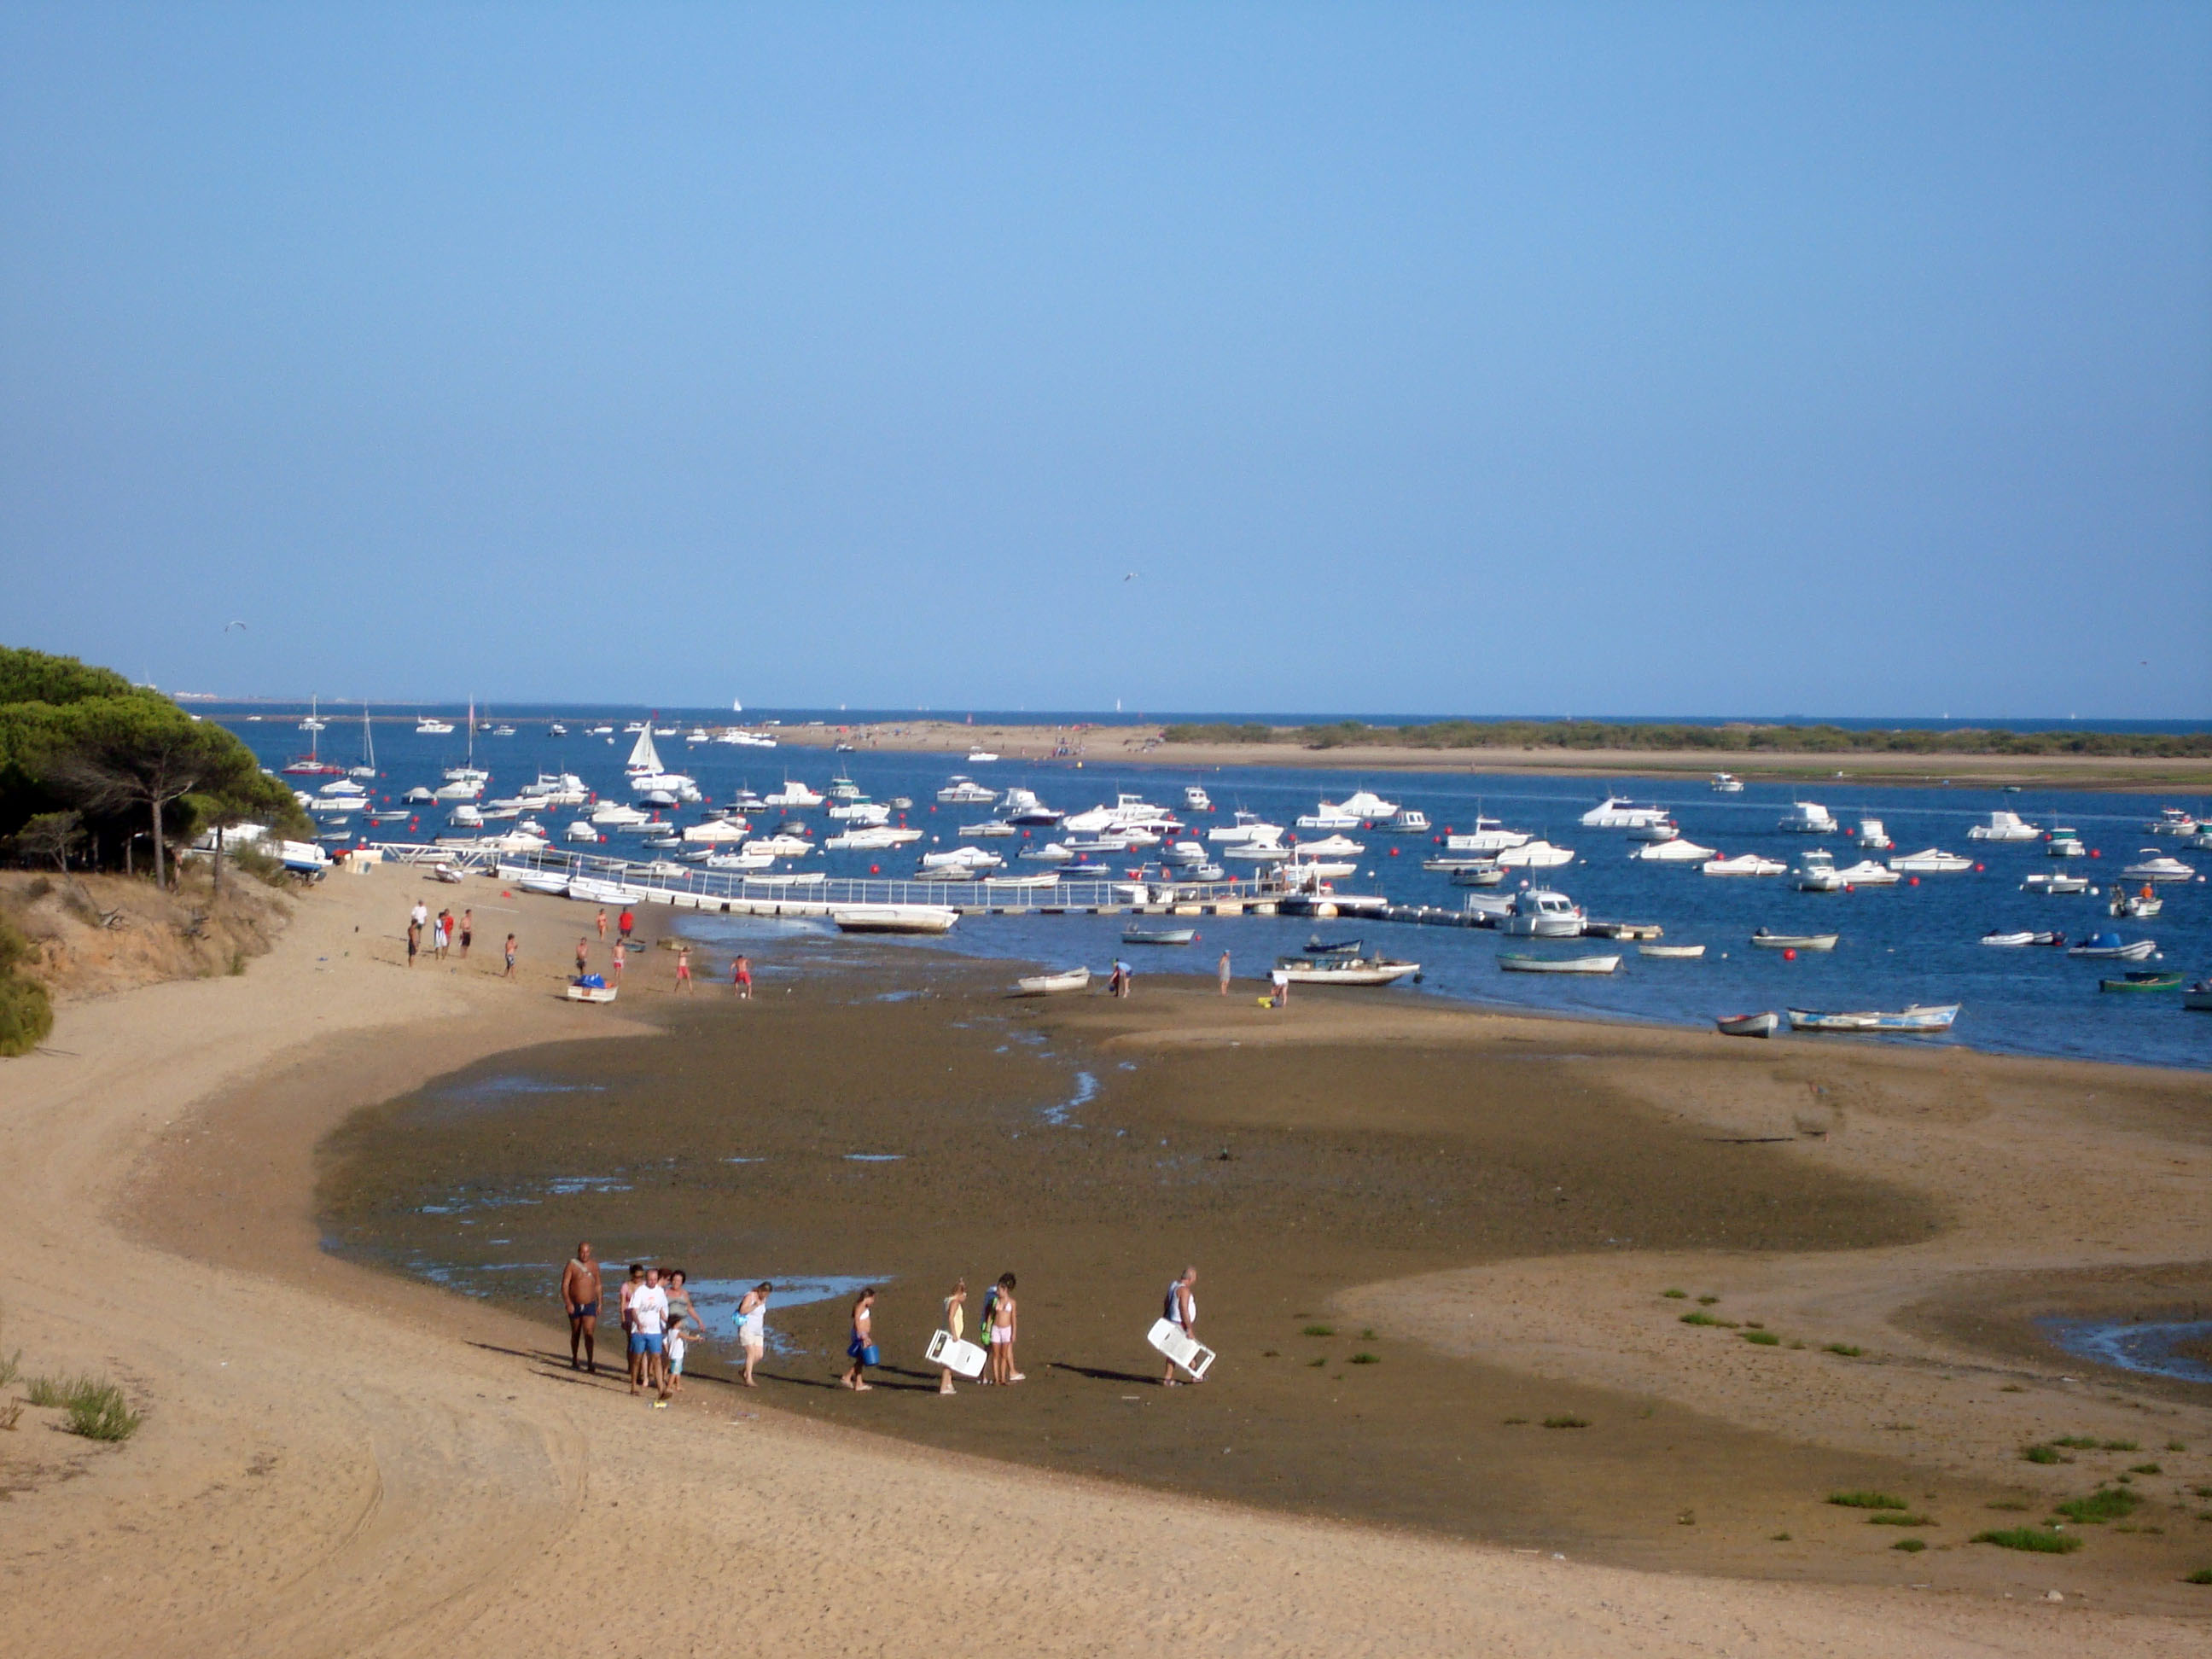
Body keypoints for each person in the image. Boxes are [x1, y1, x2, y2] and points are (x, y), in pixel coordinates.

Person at [628, 1266, 670, 1400]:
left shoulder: (660, 1292)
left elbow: (662, 1310)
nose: (652, 1282)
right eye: (650, 1279)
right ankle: (633, 1385)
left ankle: (661, 1389)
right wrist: (638, 1323)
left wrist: (667, 1321)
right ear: (647, 1279)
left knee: (656, 1358)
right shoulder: (640, 1291)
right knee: (637, 1359)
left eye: (655, 1279)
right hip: (639, 1330)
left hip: (655, 1331)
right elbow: (634, 1310)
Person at [561, 1243, 601, 1372]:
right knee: (576, 1332)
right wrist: (568, 1302)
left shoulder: (594, 1265)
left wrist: (600, 1302)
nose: (585, 1255)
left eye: (587, 1252)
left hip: (590, 1304)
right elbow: (565, 1285)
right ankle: (575, 1358)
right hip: (575, 1304)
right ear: (578, 1252)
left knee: (589, 1333)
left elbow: (598, 1285)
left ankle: (590, 1362)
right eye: (582, 1252)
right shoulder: (572, 1265)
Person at [1161, 1266, 1201, 1386]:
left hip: (1172, 1321)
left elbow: (1166, 1302)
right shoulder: (1184, 1291)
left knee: (1179, 1349)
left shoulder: (1173, 1285)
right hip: (1180, 1324)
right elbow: (1183, 1309)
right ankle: (1193, 1376)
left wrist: (1165, 1317)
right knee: (1186, 1349)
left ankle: (1195, 1375)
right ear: (1191, 1278)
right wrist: (1189, 1328)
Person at [663, 1270, 700, 1397]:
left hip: (683, 1326)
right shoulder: (666, 1292)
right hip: (670, 1325)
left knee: (680, 1353)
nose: (675, 1282)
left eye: (678, 1280)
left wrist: (699, 1321)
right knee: (669, 1354)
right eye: (674, 1280)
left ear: (682, 1282)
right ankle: (666, 1378)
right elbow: (660, 1308)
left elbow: (689, 1308)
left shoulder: (685, 1294)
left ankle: (676, 1381)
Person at [734, 1282, 771, 1387]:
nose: (765, 1295)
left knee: (759, 1355)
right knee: (751, 1353)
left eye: (767, 1294)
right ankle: (748, 1378)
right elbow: (742, 1311)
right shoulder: (750, 1296)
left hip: (758, 1330)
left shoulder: (764, 1299)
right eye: (764, 1293)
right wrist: (755, 1305)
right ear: (759, 1289)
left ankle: (744, 1371)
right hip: (747, 1328)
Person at [841, 1286, 877, 1391]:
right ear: (869, 1297)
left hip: (862, 1334)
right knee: (862, 1358)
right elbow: (857, 1321)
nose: (873, 1302)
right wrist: (863, 1336)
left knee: (860, 1359)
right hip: (860, 1335)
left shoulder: (863, 1306)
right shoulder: (860, 1306)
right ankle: (847, 1377)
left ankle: (859, 1383)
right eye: (873, 1299)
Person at [987, 1272, 1021, 1384]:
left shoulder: (1012, 1303)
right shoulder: (996, 1301)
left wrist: (1014, 1333)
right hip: (996, 1329)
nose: (997, 1291)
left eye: (999, 1289)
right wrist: (988, 1327)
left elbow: (1013, 1319)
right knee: (996, 1355)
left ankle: (1003, 1378)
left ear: (1005, 1290)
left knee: (1004, 1355)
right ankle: (996, 1379)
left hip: (1007, 1329)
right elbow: (991, 1315)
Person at [939, 1277, 968, 1396]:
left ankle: (949, 1384)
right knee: (949, 1362)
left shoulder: (948, 1300)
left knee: (950, 1361)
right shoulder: (955, 1302)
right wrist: (955, 1334)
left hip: (948, 1333)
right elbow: (951, 1318)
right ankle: (943, 1387)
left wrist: (961, 1284)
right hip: (951, 1335)